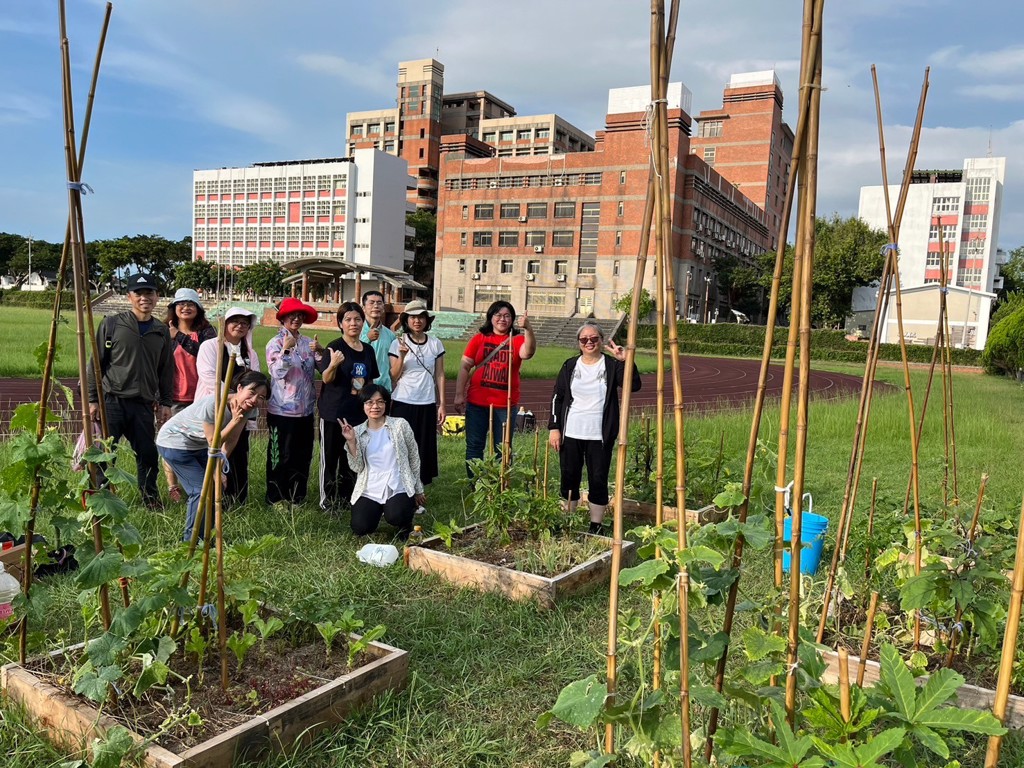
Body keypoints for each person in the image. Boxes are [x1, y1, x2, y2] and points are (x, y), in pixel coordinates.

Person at [86, 272, 173, 508]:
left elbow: (166, 370)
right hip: (112, 401)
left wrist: (166, 403)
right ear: (129, 297)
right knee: (104, 454)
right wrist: (93, 399)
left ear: (157, 297)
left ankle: (150, 498)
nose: (144, 298)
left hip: (143, 405)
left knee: (147, 455)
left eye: (150, 293)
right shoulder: (112, 324)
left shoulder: (160, 330)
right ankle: (98, 499)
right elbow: (95, 364)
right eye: (139, 293)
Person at [548, 321, 641, 535]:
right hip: (571, 432)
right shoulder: (570, 366)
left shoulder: (611, 365)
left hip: (600, 434)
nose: (589, 342)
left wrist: (626, 361)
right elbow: (557, 397)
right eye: (584, 340)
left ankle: (596, 525)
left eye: (594, 339)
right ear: (579, 343)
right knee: (569, 477)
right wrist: (555, 427)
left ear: (600, 340)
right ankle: (567, 523)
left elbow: (634, 385)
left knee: (598, 479)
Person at [156, 371, 270, 541]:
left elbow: (231, 441)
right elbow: (212, 440)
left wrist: (219, 469)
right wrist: (233, 421)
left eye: (261, 397)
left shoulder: (247, 410)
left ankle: (207, 536)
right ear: (239, 388)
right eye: (252, 393)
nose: (255, 400)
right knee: (201, 490)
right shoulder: (215, 403)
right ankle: (191, 541)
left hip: (198, 446)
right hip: (175, 442)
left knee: (216, 486)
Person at [453, 300, 535, 473]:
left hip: (505, 405)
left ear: (512, 319)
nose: (502, 319)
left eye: (507, 316)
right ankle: (475, 483)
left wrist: (528, 329)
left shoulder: (517, 340)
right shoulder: (480, 338)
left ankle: (500, 485)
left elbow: (528, 352)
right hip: (477, 403)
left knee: (503, 448)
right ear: (490, 318)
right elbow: (465, 367)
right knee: (475, 446)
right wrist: (459, 395)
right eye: (498, 315)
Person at [339, 385, 425, 539]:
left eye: (380, 402)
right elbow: (357, 467)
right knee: (360, 526)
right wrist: (351, 442)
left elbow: (413, 456)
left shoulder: (400, 425)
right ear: (363, 405)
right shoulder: (357, 431)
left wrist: (418, 489)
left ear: (387, 404)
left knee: (396, 515)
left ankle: (404, 524)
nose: (375, 406)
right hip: (370, 486)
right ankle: (377, 510)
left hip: (398, 484)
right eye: (369, 402)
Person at [317, 302, 379, 512]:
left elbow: (369, 382)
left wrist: (371, 408)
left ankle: (346, 498)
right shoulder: (333, 348)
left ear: (363, 322)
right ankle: (327, 501)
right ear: (341, 324)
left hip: (357, 414)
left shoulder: (368, 350)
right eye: (348, 319)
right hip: (333, 413)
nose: (353, 323)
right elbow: (326, 379)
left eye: (357, 319)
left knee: (351, 458)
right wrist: (333, 364)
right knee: (330, 458)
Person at [196, 307, 261, 504]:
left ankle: (237, 497)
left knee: (238, 451)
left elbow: (256, 379)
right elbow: (208, 376)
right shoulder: (210, 347)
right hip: (215, 407)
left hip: (241, 409)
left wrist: (242, 401)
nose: (240, 326)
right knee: (214, 448)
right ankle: (213, 498)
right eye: (236, 321)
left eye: (244, 323)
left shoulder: (250, 353)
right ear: (225, 323)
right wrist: (232, 397)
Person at [265, 297, 323, 506]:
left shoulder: (308, 342)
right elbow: (277, 372)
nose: (296, 319)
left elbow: (322, 368)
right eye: (292, 315)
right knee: (280, 456)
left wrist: (321, 351)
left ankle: (297, 496)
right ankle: (276, 497)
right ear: (283, 318)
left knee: (302, 455)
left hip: (306, 411)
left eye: (300, 316)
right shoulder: (275, 343)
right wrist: (287, 350)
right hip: (282, 412)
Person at [163, 288, 217, 502]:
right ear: (174, 308)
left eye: (190, 304)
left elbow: (205, 353)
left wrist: (180, 337)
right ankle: (172, 487)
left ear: (198, 308)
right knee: (171, 441)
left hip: (200, 397)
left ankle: (200, 485)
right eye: (181, 304)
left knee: (202, 442)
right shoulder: (164, 331)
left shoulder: (207, 332)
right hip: (174, 396)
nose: (185, 308)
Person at [388, 299, 445, 488]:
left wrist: (442, 403)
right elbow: (394, 376)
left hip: (426, 402)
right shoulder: (397, 343)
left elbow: (440, 374)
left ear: (426, 320)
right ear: (406, 320)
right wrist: (402, 355)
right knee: (400, 446)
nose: (417, 321)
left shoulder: (435, 344)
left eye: (421, 317)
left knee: (422, 446)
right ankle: (400, 486)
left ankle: (418, 488)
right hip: (403, 401)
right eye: (412, 317)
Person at [359, 290, 397, 391]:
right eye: (371, 302)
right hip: (361, 387)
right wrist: (367, 338)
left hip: (383, 388)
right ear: (363, 308)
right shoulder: (356, 331)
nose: (376, 306)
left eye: (379, 303)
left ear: (383, 308)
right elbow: (350, 353)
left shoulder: (390, 335)